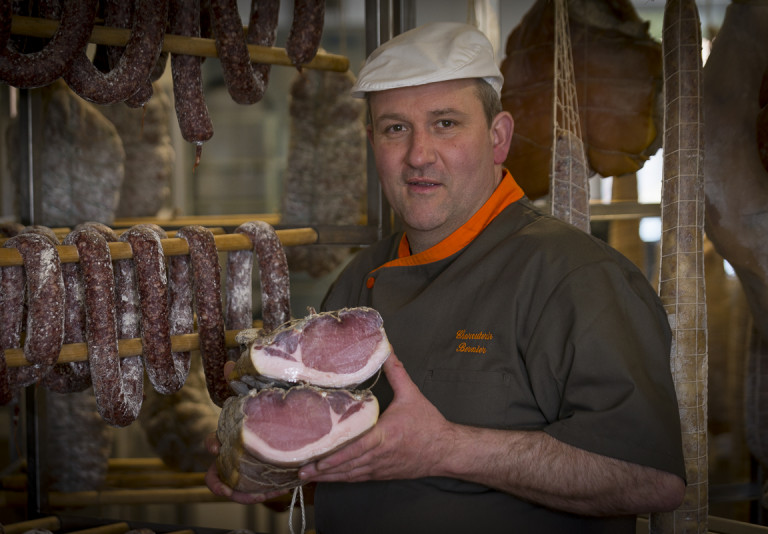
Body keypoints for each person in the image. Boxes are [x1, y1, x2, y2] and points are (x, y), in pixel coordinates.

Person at [206, 22, 687, 533]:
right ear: (372, 142)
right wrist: (268, 466)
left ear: (498, 138)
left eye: (446, 124)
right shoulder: (357, 279)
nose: (418, 154)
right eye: (395, 128)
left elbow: (650, 479)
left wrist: (448, 450)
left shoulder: (577, 277)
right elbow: (338, 466)